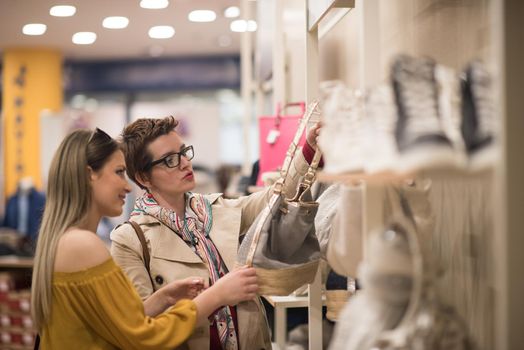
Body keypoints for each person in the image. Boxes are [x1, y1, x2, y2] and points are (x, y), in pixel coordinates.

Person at [30, 128, 259, 350]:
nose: (128, 186)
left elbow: (114, 325)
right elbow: (145, 338)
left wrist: (162, 298)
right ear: (90, 174)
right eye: (119, 172)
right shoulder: (84, 245)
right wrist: (217, 295)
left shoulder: (65, 241)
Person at [111, 116, 322, 350]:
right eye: (170, 160)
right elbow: (140, 327)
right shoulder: (130, 239)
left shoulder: (215, 210)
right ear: (143, 178)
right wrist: (217, 295)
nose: (184, 163)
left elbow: (274, 197)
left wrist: (308, 151)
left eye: (183, 152)